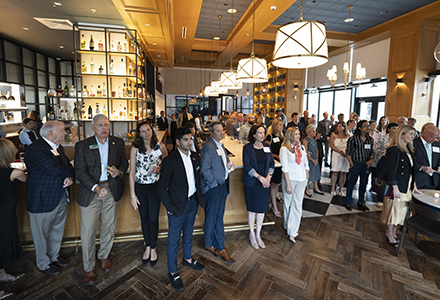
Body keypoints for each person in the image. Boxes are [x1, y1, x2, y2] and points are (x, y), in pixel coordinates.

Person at [74, 114, 128, 285]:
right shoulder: (82, 145)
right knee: (88, 231)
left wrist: (119, 172)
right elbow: (80, 171)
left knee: (108, 226)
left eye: (106, 125)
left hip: (111, 189)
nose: (103, 128)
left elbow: (124, 164)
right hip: (92, 192)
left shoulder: (117, 142)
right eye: (100, 125)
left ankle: (103, 256)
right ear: (92, 128)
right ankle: (88, 267)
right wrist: (96, 187)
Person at [157, 127, 206, 291]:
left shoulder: (195, 157)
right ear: (177, 142)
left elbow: (197, 180)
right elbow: (161, 187)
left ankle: (187, 258)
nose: (190, 142)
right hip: (177, 206)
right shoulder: (169, 161)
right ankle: (172, 271)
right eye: (186, 139)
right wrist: (170, 208)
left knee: (189, 233)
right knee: (173, 239)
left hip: (193, 203)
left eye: (191, 139)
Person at [25, 121, 75, 276]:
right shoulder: (35, 149)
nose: (65, 133)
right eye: (62, 130)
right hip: (42, 199)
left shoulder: (58, 147)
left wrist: (70, 176)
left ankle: (53, 256)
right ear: (50, 133)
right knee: (41, 234)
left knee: (57, 229)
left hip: (59, 196)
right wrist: (71, 170)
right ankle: (43, 263)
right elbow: (54, 169)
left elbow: (66, 168)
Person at [129, 122, 167, 266]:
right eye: (143, 131)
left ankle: (154, 247)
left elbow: (167, 167)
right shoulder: (135, 149)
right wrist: (132, 195)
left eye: (148, 130)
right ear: (139, 134)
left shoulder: (161, 147)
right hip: (140, 187)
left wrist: (159, 169)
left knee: (153, 218)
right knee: (144, 217)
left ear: (152, 130)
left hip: (155, 187)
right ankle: (148, 246)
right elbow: (132, 173)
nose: (147, 133)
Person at [201, 122, 236, 262]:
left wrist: (229, 165)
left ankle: (211, 244)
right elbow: (205, 169)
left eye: (222, 131)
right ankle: (217, 247)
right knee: (214, 216)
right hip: (214, 187)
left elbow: (224, 161)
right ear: (211, 133)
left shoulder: (220, 145)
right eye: (218, 131)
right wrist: (214, 184)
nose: (222, 133)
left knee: (217, 216)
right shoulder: (208, 147)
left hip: (222, 185)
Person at [381, 125, 420, 247]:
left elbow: (410, 170)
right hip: (397, 185)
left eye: (414, 134)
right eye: (410, 134)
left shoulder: (409, 149)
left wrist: (413, 183)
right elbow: (391, 169)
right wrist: (395, 186)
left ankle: (392, 231)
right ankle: (390, 233)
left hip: (406, 185)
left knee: (402, 211)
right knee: (394, 210)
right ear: (402, 134)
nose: (413, 137)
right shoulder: (393, 149)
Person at [0, 139, 26, 299]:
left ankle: (1, 272)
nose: (16, 149)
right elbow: (25, 178)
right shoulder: (13, 172)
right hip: (4, 213)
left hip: (5, 212)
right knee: (3, 241)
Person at [242, 124, 275, 249]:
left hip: (265, 183)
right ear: (254, 134)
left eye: (263, 132)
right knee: (252, 210)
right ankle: (251, 234)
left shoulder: (267, 146)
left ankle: (258, 234)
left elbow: (271, 163)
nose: (263, 135)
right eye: (260, 133)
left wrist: (268, 177)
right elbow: (247, 166)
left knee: (261, 210)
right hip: (252, 182)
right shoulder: (247, 148)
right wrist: (260, 178)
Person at [280, 128, 309, 243]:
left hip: (301, 179)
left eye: (299, 133)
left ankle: (293, 232)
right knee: (287, 204)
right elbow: (284, 168)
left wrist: (306, 174)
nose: (298, 135)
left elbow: (306, 163)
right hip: (290, 179)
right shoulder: (284, 149)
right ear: (291, 135)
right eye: (296, 134)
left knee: (297, 205)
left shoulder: (301, 147)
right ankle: (288, 226)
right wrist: (288, 184)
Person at [345, 120, 374, 211]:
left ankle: (361, 201)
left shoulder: (370, 139)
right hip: (356, 163)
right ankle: (348, 201)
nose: (368, 128)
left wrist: (371, 160)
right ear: (360, 128)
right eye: (365, 126)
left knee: (363, 184)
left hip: (366, 165)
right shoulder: (353, 139)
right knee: (351, 183)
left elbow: (372, 152)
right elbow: (348, 152)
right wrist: (351, 163)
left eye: (368, 126)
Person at [372, 122, 399, 206]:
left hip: (394, 162)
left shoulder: (399, 139)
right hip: (384, 160)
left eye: (396, 128)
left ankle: (389, 198)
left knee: (391, 179)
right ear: (389, 129)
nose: (395, 130)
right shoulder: (383, 138)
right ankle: (379, 198)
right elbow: (376, 150)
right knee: (382, 179)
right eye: (393, 128)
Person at [265, 119, 284, 217]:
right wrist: (276, 156)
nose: (281, 127)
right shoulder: (270, 136)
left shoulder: (282, 137)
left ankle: (272, 203)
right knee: (273, 185)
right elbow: (266, 151)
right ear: (275, 126)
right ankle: (274, 206)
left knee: (276, 185)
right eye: (280, 125)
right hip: (273, 164)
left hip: (280, 164)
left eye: (282, 125)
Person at [413, 124, 440, 189]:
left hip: (433, 180)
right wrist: (421, 167)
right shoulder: (414, 143)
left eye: (436, 137)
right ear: (424, 133)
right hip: (417, 178)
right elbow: (409, 160)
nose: (434, 140)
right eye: (432, 137)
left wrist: (439, 166)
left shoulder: (437, 144)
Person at [303, 125, 324, 197]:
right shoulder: (305, 140)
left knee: (316, 173)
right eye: (313, 131)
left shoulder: (314, 140)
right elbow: (305, 152)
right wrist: (312, 160)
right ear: (308, 132)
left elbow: (317, 150)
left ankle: (316, 188)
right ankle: (307, 189)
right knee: (308, 175)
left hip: (315, 159)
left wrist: (317, 159)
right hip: (309, 160)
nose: (315, 132)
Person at [329, 122, 350, 196]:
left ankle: (340, 188)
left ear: (344, 127)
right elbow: (331, 145)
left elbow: (350, 146)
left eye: (340, 126)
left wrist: (346, 153)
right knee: (335, 171)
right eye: (338, 126)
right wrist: (339, 151)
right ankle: (333, 188)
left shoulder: (348, 135)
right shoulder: (333, 135)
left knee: (343, 172)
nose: (339, 128)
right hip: (336, 153)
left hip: (345, 155)